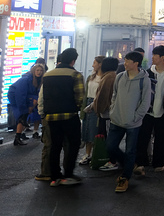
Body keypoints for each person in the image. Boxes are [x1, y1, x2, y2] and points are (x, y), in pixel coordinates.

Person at [38, 48, 85, 187]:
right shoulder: (75, 75)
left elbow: (44, 96)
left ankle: (55, 177)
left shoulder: (47, 75)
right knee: (73, 144)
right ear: (73, 61)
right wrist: (76, 107)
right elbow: (80, 97)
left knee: (55, 145)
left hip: (51, 116)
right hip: (69, 115)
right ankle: (68, 175)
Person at [106, 51, 151, 193]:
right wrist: (113, 110)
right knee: (110, 147)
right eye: (125, 60)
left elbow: (145, 102)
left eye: (127, 61)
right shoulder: (119, 77)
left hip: (133, 123)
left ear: (136, 63)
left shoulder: (144, 80)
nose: (124, 63)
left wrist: (136, 117)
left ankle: (125, 178)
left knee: (131, 151)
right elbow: (114, 95)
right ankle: (129, 165)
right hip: (117, 120)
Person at [134, 45, 164, 175]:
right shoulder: (147, 73)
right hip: (147, 111)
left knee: (162, 138)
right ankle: (141, 162)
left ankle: (159, 162)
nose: (152, 58)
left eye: (155, 55)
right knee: (143, 137)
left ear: (162, 57)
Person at [8, 64, 44, 146]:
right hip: (16, 96)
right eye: (37, 70)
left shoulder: (38, 81)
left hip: (24, 97)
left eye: (41, 71)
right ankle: (18, 136)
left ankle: (18, 137)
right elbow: (20, 94)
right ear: (33, 71)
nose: (39, 72)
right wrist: (25, 109)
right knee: (23, 116)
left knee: (24, 116)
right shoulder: (26, 79)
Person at [79, 56, 104, 165]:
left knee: (94, 130)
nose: (93, 65)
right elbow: (85, 93)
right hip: (88, 102)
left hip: (97, 104)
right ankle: (87, 154)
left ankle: (95, 154)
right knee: (86, 130)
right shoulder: (90, 77)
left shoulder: (105, 77)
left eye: (95, 63)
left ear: (100, 64)